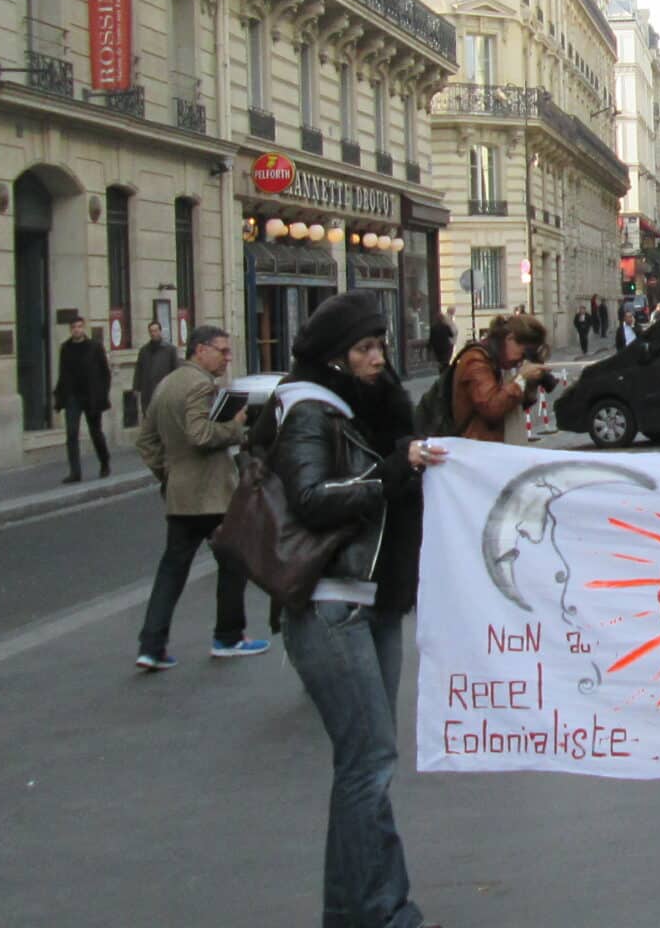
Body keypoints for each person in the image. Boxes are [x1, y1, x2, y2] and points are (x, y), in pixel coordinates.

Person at [274, 290, 445, 928]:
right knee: (368, 760)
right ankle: (376, 909)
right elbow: (312, 498)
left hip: (372, 600)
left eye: (380, 345)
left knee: (368, 761)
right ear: (337, 357)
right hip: (329, 603)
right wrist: (395, 471)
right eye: (365, 348)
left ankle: (357, 908)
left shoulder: (370, 407)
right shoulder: (310, 410)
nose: (378, 358)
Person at [131, 325, 267, 670]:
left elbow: (145, 441)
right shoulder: (200, 386)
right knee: (234, 560)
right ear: (199, 350)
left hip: (181, 495)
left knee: (172, 570)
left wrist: (169, 474)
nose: (227, 357)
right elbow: (201, 435)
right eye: (221, 350)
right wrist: (236, 426)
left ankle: (151, 645)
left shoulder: (166, 384)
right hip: (213, 496)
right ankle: (229, 636)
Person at [450, 313, 551, 442]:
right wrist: (520, 379)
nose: (521, 360)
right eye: (522, 352)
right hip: (479, 448)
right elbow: (492, 408)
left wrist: (530, 383)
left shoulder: (498, 361)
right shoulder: (476, 360)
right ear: (510, 339)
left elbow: (513, 405)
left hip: (495, 446)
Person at [53, 316, 113, 483]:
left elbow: (104, 373)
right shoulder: (65, 348)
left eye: (79, 326)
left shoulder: (94, 347)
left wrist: (102, 395)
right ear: (70, 330)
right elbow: (62, 374)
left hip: (91, 396)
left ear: (83, 328)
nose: (77, 330)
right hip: (73, 397)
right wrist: (59, 397)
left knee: (95, 432)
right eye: (74, 327)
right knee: (71, 434)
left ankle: (104, 461)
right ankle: (75, 472)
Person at [133, 317, 180, 417]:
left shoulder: (170, 350)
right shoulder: (144, 350)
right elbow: (139, 369)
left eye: (155, 331)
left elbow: (176, 370)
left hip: (163, 391)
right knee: (148, 416)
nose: (153, 333)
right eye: (151, 331)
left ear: (160, 331)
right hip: (148, 391)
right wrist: (136, 387)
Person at [427, 309, 457, 375]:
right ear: (443, 319)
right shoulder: (446, 326)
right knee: (446, 362)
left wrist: (429, 348)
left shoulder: (433, 328)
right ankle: (445, 374)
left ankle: (441, 373)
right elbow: (451, 334)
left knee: (441, 362)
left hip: (437, 349)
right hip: (446, 348)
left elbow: (431, 339)